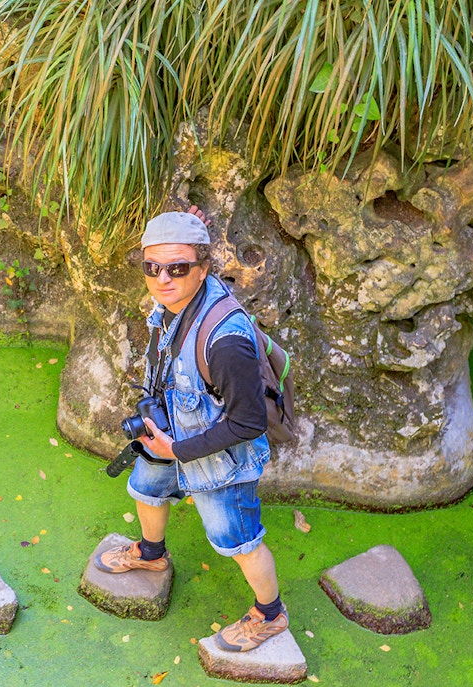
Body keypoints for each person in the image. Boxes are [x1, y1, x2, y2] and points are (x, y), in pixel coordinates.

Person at [94, 208, 287, 652]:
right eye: (152, 267)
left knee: (238, 540)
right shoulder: (172, 301)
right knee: (146, 488)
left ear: (203, 270)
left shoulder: (226, 342)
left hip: (221, 461)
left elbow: (249, 423)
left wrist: (177, 450)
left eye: (178, 268)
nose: (163, 278)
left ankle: (270, 614)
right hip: (173, 433)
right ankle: (150, 555)